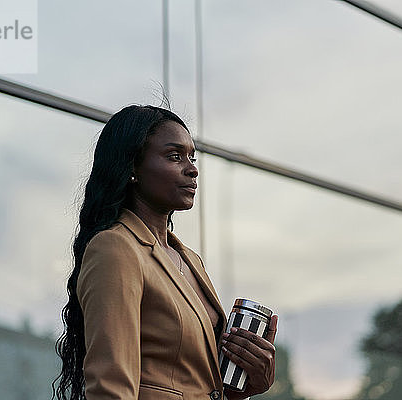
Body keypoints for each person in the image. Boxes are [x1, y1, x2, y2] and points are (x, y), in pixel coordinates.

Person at [53, 105, 278, 400]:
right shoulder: (116, 248)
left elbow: (196, 385)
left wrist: (246, 387)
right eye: (175, 156)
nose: (192, 168)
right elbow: (111, 388)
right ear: (132, 166)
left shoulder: (189, 259)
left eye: (192, 157)